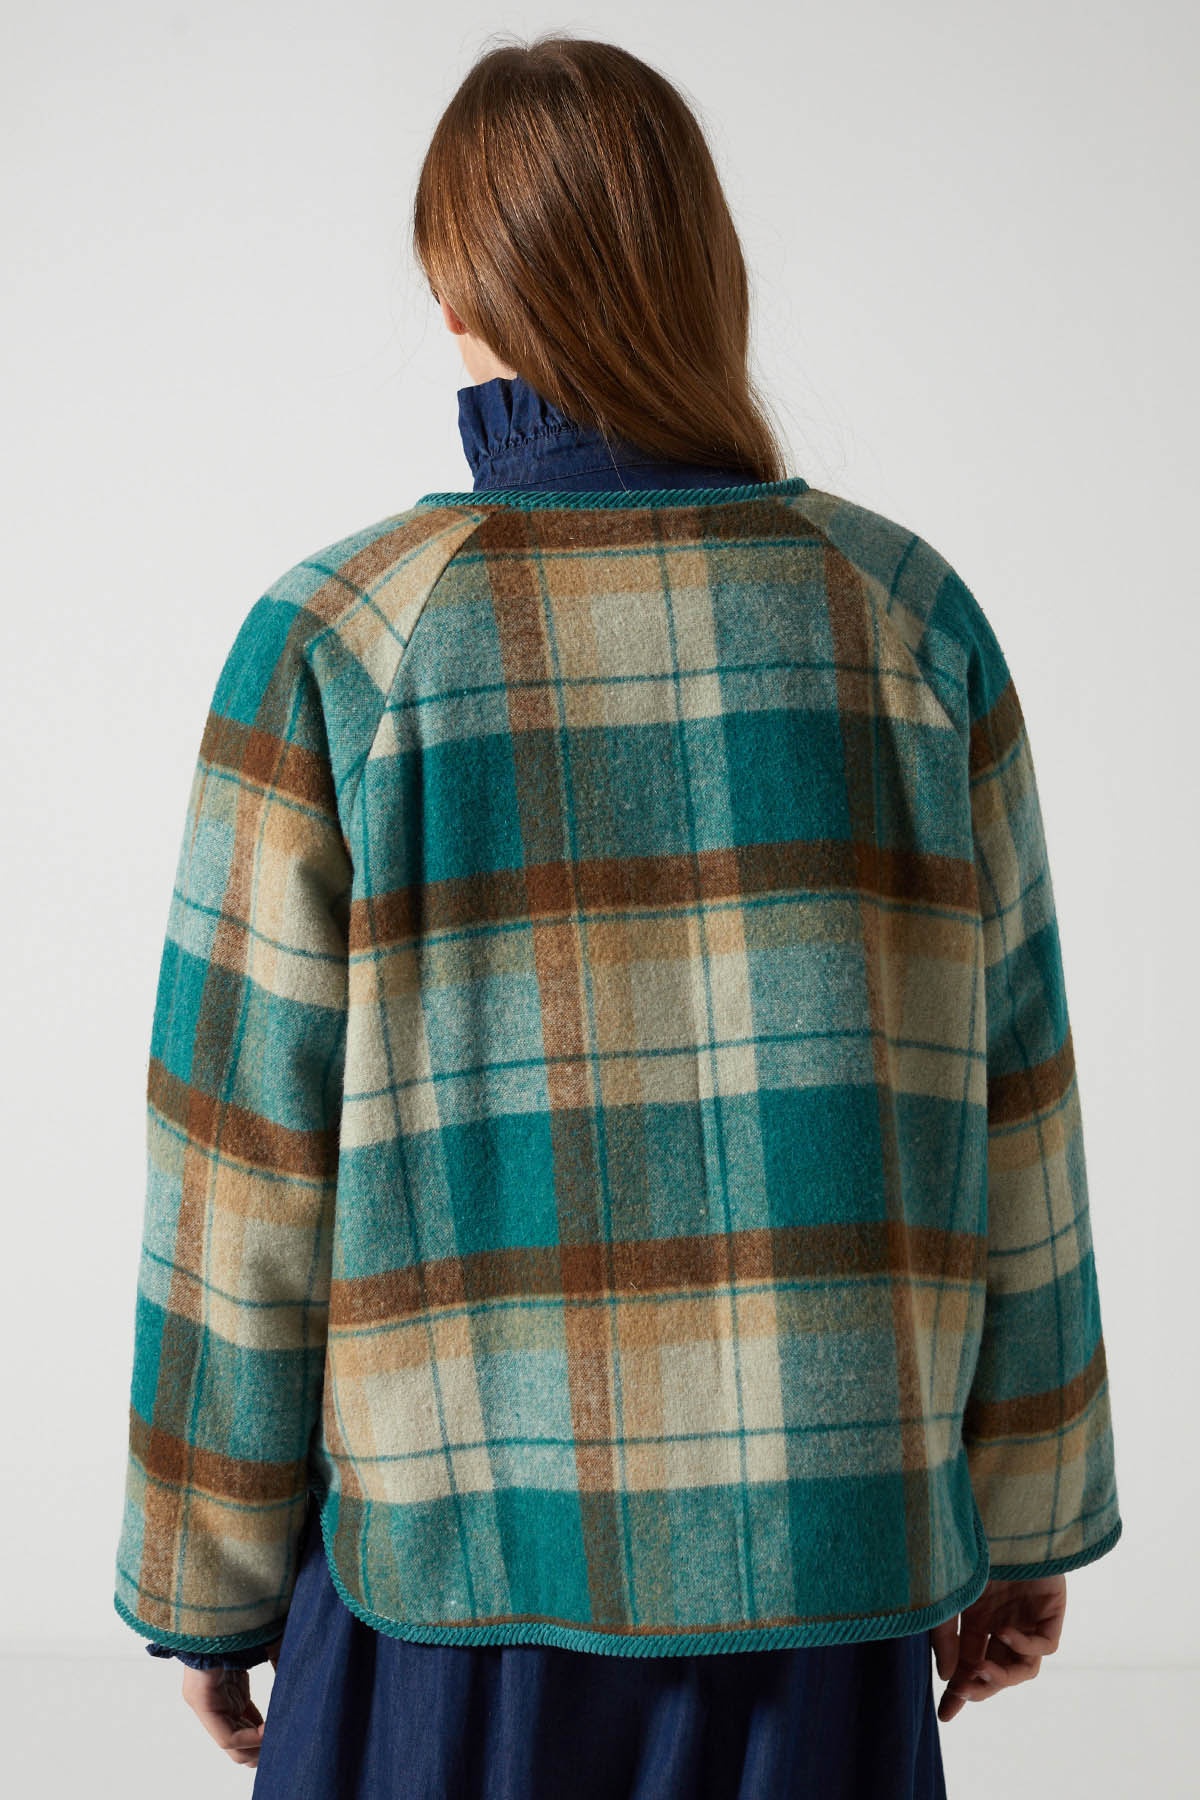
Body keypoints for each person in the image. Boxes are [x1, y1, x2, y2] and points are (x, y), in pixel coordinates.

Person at [111, 32, 1123, 1799]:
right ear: (704, 274)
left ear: (457, 294)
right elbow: (1014, 1105)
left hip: (453, 1597)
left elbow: (239, 1166)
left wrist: (204, 1585)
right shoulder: (907, 619)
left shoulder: (343, 642)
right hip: (827, 1584)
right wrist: (1023, 1513)